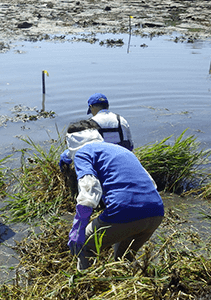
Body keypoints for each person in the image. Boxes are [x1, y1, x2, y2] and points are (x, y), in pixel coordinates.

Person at [65, 119, 164, 271]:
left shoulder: (82, 153)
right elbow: (151, 183)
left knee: (83, 246)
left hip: (125, 210)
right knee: (123, 260)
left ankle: (83, 285)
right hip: (156, 211)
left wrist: (78, 227)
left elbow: (89, 189)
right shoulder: (120, 150)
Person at [59, 93, 134, 168]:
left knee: (65, 155)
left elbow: (81, 148)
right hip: (124, 158)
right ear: (107, 106)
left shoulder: (90, 123)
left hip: (103, 161)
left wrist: (66, 156)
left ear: (91, 107)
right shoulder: (121, 120)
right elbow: (130, 145)